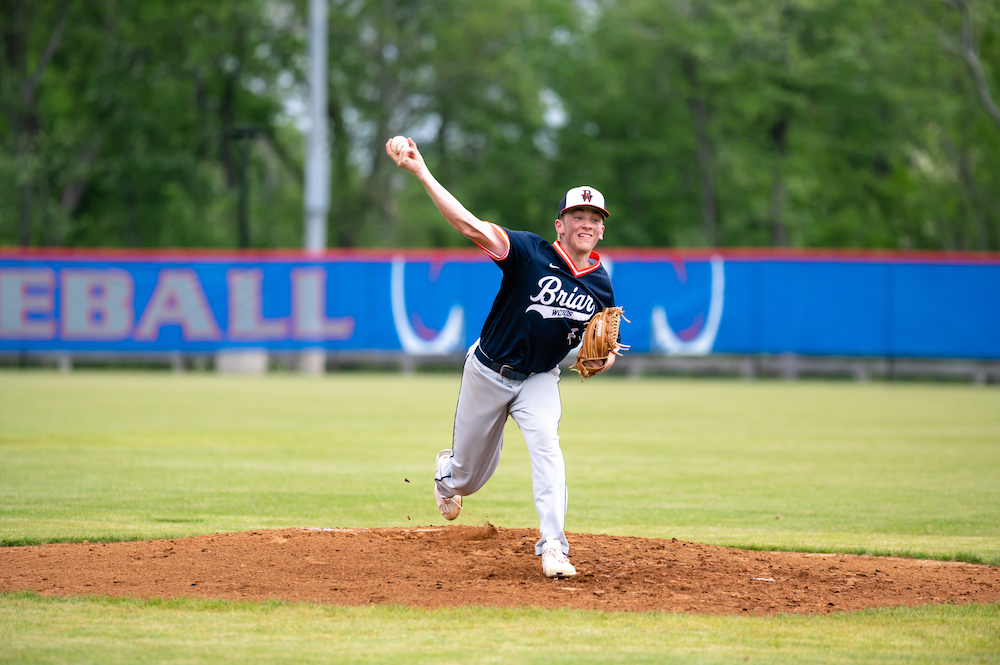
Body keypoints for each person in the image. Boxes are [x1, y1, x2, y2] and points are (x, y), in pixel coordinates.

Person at [387, 137, 620, 579]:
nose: (586, 223)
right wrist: (422, 173)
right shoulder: (529, 252)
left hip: (538, 379)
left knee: (548, 449)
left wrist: (601, 359)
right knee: (469, 479)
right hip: (489, 370)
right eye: (577, 216)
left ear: (602, 229)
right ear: (560, 224)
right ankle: (446, 474)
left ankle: (554, 547)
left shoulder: (602, 286)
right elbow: (470, 226)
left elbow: (589, 347)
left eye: (594, 218)